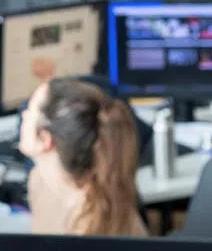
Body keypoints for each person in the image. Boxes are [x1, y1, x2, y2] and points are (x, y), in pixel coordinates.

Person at [18, 77, 147, 237]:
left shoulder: (92, 220)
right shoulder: (39, 179)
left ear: (45, 140)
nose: (24, 115)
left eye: (30, 110)